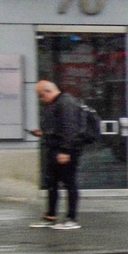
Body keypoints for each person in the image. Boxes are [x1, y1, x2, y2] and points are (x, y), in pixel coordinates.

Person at [34, 79, 96, 228]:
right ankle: (50, 216)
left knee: (69, 183)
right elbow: (59, 127)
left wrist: (65, 150)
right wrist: (44, 132)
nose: (42, 100)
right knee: (52, 183)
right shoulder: (58, 103)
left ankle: (71, 219)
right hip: (56, 149)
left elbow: (69, 128)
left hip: (66, 150)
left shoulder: (65, 103)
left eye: (41, 96)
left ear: (48, 91)